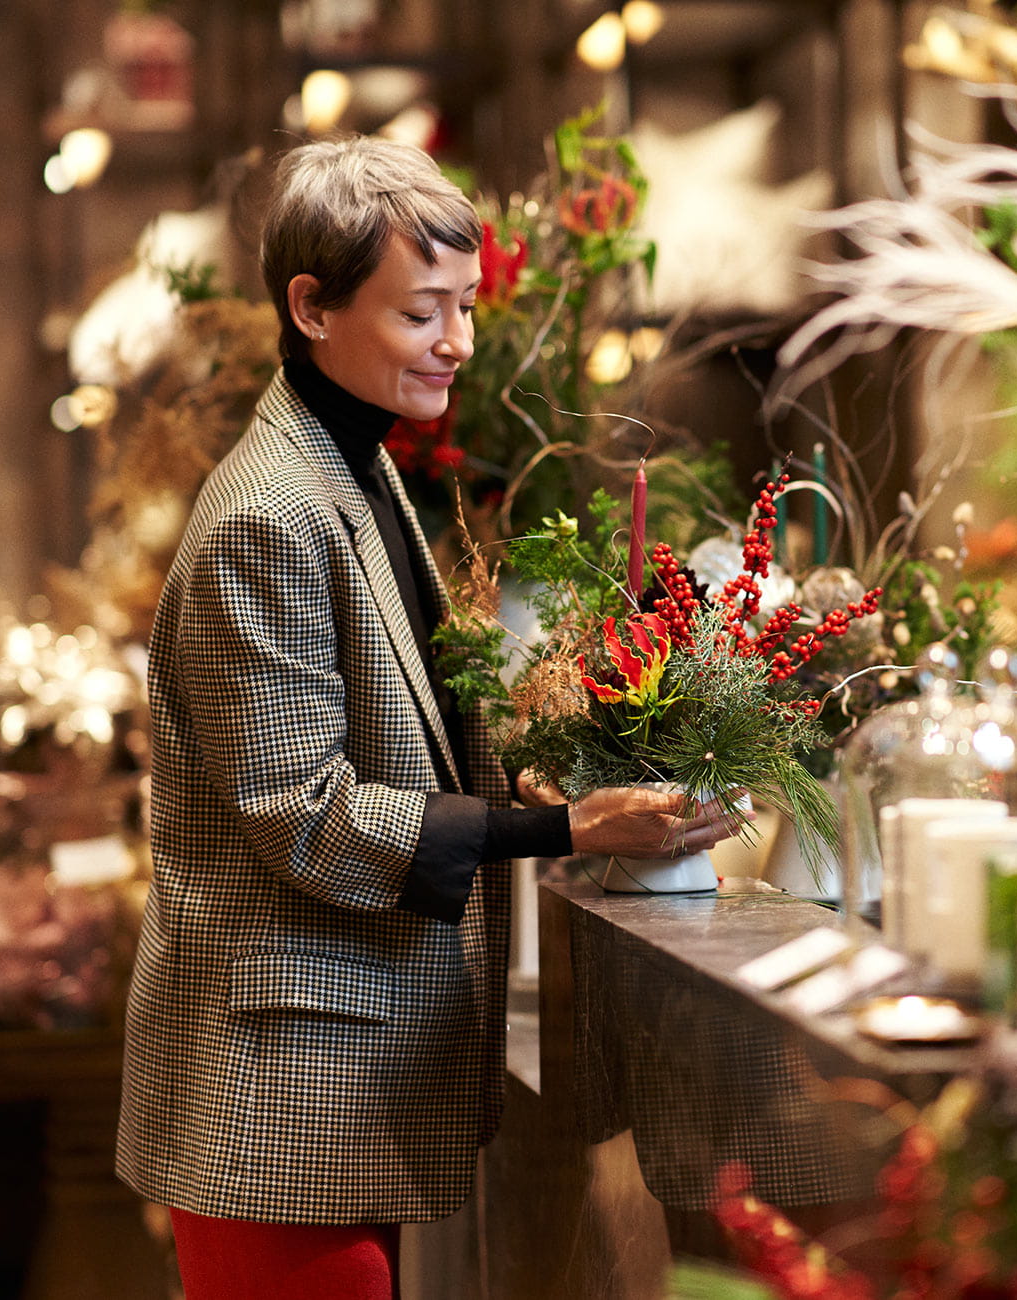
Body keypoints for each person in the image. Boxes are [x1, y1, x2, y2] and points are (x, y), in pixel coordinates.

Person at [114, 134, 744, 1299]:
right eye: (420, 313)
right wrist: (563, 831)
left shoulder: (353, 463)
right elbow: (305, 814)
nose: (456, 342)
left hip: (336, 1075)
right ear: (311, 306)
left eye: (462, 306)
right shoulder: (268, 514)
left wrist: (533, 785)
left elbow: (398, 730)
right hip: (278, 1085)